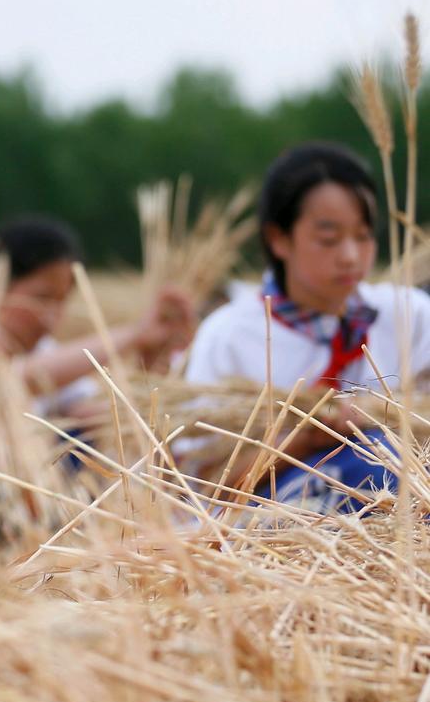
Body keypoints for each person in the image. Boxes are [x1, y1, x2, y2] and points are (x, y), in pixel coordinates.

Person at [184, 141, 430, 510]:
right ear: (278, 239)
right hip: (279, 521)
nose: (350, 256)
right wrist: (306, 438)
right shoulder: (229, 336)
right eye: (328, 239)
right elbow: (202, 486)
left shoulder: (408, 314)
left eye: (363, 236)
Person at [0, 216, 195, 504]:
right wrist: (135, 334)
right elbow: (21, 380)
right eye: (41, 298)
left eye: (61, 301)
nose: (51, 316)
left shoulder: (45, 349)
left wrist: (153, 372)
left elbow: (95, 414)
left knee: (76, 439)